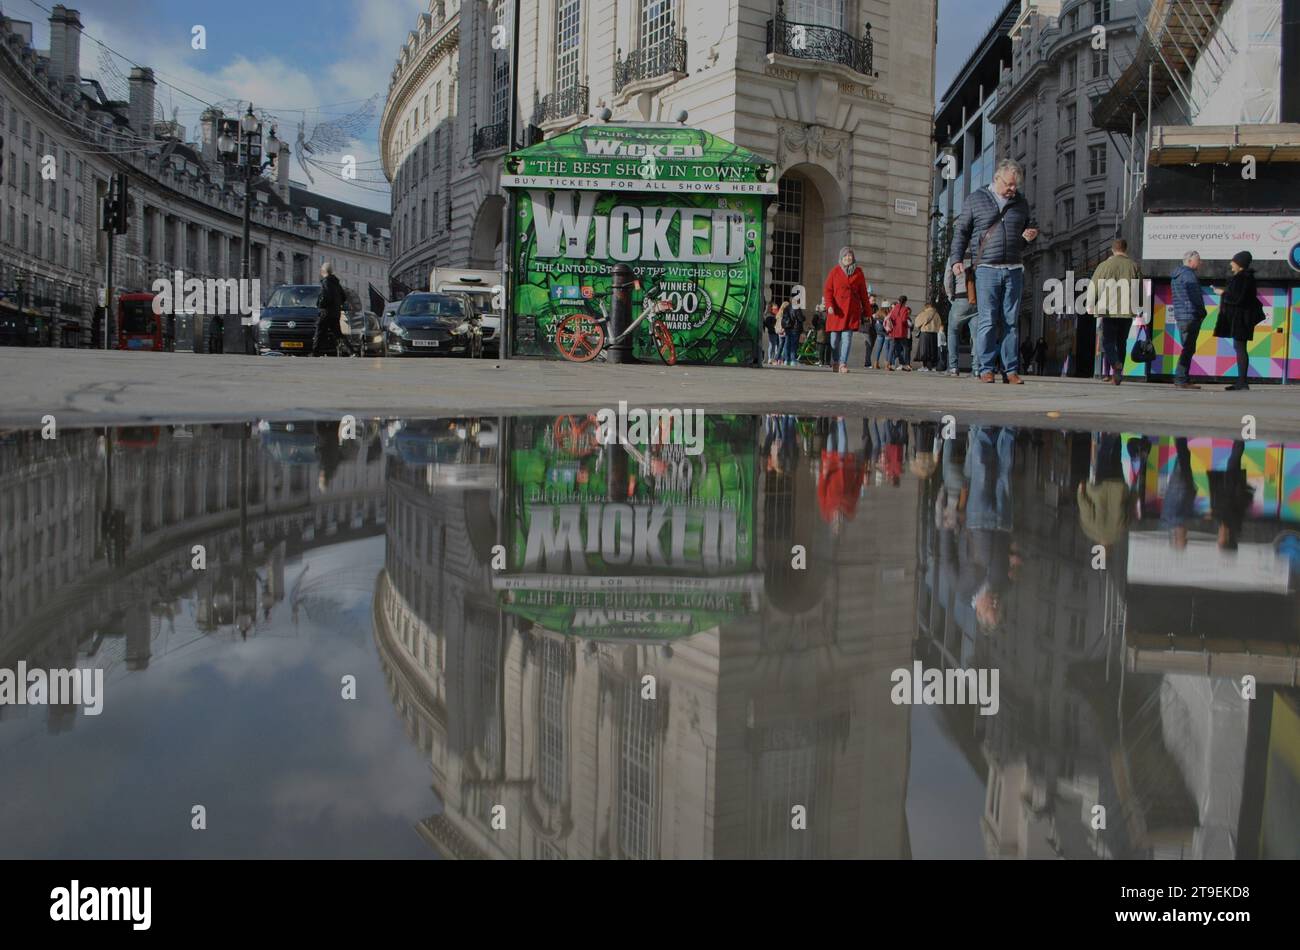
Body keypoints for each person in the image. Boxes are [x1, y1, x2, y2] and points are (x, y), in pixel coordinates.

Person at [949, 159, 1039, 385]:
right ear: (997, 178)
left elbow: (1030, 225)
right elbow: (961, 231)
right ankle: (986, 369)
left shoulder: (1021, 203)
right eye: (1009, 184)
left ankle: (1010, 370)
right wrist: (956, 259)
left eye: (1016, 185)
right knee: (987, 320)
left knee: (1011, 321)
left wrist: (1029, 235)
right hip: (987, 268)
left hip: (1014, 268)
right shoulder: (976, 199)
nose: (1013, 189)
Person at [1088, 238, 1144, 386]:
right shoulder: (1134, 266)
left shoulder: (1104, 265)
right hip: (1127, 310)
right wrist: (1140, 306)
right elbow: (1140, 288)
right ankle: (1118, 375)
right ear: (1126, 249)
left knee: (1107, 342)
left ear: (1113, 250)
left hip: (1108, 310)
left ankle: (1115, 363)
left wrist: (1090, 305)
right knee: (1122, 342)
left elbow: (1094, 285)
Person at [1214, 250, 1266, 392]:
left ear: (1240, 264)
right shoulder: (1244, 278)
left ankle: (1242, 382)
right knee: (1239, 348)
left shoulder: (1243, 278)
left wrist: (1222, 293)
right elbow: (1238, 296)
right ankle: (1241, 381)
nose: (1231, 264)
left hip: (1241, 320)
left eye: (1234, 261)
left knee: (1240, 348)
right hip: (1241, 319)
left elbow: (1237, 298)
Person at [822, 246, 870, 373]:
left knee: (847, 338)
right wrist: (829, 306)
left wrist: (867, 312)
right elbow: (828, 290)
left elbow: (864, 293)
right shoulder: (835, 271)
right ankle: (836, 361)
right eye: (845, 256)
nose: (848, 258)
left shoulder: (858, 272)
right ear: (841, 258)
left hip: (851, 310)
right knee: (834, 339)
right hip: (836, 311)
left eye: (850, 256)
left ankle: (843, 363)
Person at [1170, 250, 1207, 390]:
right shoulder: (1189, 275)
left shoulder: (1176, 275)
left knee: (1187, 347)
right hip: (1190, 315)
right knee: (1188, 348)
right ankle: (1181, 378)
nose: (1201, 262)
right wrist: (1202, 311)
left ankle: (1183, 377)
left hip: (1181, 316)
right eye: (1199, 260)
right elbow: (1195, 296)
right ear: (1190, 261)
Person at [942, 258, 977, 376]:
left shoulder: (955, 256)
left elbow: (948, 278)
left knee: (953, 331)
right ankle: (976, 369)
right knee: (976, 336)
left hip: (960, 298)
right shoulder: (979, 253)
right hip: (977, 300)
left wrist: (951, 296)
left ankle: (953, 367)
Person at [313, 262, 346, 357]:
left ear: (323, 271)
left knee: (319, 332)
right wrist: (337, 305)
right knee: (338, 333)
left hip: (326, 312)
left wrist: (320, 304)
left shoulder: (326, 282)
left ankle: (315, 352)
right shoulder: (336, 283)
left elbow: (326, 297)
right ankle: (352, 351)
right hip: (335, 313)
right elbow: (343, 296)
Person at [913, 298, 943, 371]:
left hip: (925, 333)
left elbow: (917, 323)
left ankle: (925, 366)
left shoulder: (924, 313)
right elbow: (939, 324)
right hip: (934, 333)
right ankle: (932, 367)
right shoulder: (936, 314)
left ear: (926, 306)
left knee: (924, 350)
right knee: (933, 350)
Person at [885, 296, 912, 371]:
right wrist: (907, 325)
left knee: (892, 348)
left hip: (894, 331)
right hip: (901, 331)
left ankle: (888, 364)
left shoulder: (895, 308)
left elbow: (891, 318)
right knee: (905, 348)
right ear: (905, 301)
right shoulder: (905, 309)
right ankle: (906, 364)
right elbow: (904, 320)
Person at [780, 299, 803, 366]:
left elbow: (784, 318)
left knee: (787, 344)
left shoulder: (786, 308)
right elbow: (800, 318)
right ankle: (793, 360)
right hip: (795, 329)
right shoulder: (797, 308)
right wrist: (804, 317)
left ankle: (786, 360)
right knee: (794, 345)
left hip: (787, 328)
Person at [870, 299, 890, 369]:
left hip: (878, 332)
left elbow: (872, 317)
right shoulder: (887, 314)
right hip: (886, 332)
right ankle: (886, 364)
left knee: (878, 348)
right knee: (886, 349)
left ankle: (876, 363)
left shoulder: (877, 313)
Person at [862, 293, 878, 368]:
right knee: (869, 344)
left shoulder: (876, 307)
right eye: (873, 300)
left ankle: (867, 362)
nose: (874, 301)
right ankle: (867, 363)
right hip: (866, 328)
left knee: (871, 345)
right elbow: (861, 317)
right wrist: (870, 317)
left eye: (875, 300)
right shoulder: (865, 306)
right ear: (869, 299)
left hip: (874, 329)